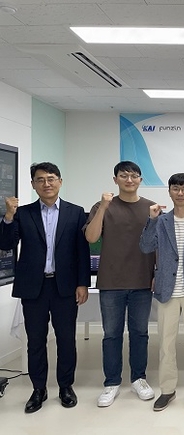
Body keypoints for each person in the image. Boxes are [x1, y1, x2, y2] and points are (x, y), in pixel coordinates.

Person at [0, 162, 90, 413]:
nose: (46, 184)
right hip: (34, 287)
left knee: (66, 340)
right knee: (36, 341)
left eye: (51, 178)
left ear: (60, 181)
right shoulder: (22, 213)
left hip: (65, 287)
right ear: (33, 184)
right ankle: (38, 389)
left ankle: (65, 387)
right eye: (40, 179)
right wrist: (8, 217)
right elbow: (5, 244)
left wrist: (82, 283)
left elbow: (82, 252)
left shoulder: (75, 212)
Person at [84, 161, 156, 407]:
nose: (129, 179)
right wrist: (104, 207)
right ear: (115, 179)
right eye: (124, 175)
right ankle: (112, 382)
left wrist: (157, 273)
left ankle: (139, 379)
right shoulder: (102, 206)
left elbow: (159, 244)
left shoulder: (150, 207)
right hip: (111, 282)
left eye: (134, 175)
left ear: (140, 180)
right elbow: (91, 237)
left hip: (142, 281)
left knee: (140, 333)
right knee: (112, 334)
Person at [139, 173, 184, 412]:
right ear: (169, 191)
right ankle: (167, 390)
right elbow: (146, 247)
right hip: (166, 290)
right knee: (166, 344)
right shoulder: (160, 220)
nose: (180, 193)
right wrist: (151, 220)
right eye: (176, 188)